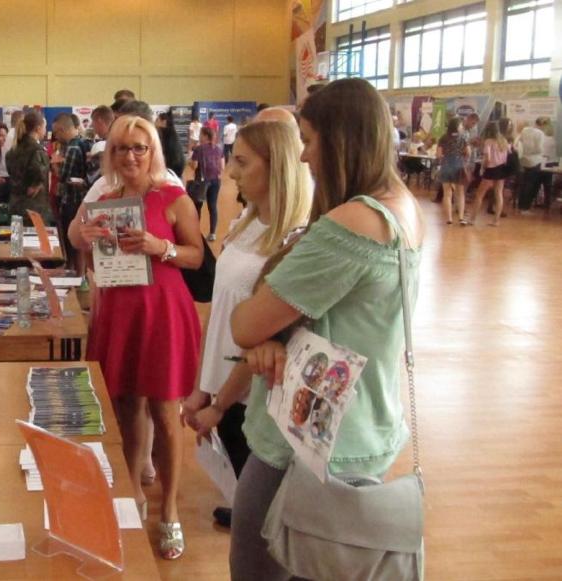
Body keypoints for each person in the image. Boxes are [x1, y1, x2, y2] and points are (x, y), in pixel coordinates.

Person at [228, 78, 424, 580]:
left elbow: (245, 324)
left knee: (257, 565)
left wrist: (263, 330)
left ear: (341, 141)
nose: (303, 156)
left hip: (308, 438)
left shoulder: (354, 222)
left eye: (310, 140)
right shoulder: (403, 207)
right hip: (366, 423)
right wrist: (274, 334)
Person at [68, 115, 203, 560]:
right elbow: (81, 244)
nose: (130, 156)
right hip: (120, 313)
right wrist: (85, 238)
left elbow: (196, 256)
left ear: (153, 152)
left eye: (139, 148)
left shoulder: (173, 198)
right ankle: (132, 495)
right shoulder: (104, 201)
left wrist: (159, 247)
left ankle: (169, 510)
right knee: (125, 407)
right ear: (110, 154)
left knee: (165, 413)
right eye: (122, 148)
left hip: (161, 312)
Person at [182, 119, 312, 529]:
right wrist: (202, 386)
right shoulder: (246, 223)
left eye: (242, 162)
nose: (230, 171)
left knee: (262, 512)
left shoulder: (294, 239)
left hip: (250, 395)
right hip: (224, 387)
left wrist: (220, 404)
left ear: (277, 167)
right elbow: (221, 309)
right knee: (244, 488)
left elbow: (263, 337)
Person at [50, 113, 89, 269]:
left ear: (62, 129)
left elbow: (64, 177)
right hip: (82, 200)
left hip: (72, 201)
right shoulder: (84, 143)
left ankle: (75, 273)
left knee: (72, 242)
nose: (56, 137)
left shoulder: (72, 148)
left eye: (56, 132)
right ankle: (81, 274)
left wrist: (54, 165)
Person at [5, 110, 51, 224]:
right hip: (35, 208)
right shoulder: (37, 151)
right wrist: (38, 183)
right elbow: (40, 174)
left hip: (15, 205)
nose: (45, 130)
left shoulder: (13, 150)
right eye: (45, 127)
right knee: (35, 235)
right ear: (38, 128)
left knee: (16, 234)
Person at [469, 121, 510, 227]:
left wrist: (483, 168)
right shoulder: (504, 141)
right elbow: (507, 156)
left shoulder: (488, 142)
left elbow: (488, 158)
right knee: (499, 193)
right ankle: (496, 220)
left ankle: (472, 219)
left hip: (491, 169)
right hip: (502, 169)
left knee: (479, 194)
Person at [189, 126, 224, 241]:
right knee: (212, 206)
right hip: (216, 180)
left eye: (201, 134)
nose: (199, 136)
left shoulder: (199, 149)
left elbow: (194, 166)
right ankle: (213, 233)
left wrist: (189, 162)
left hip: (202, 181)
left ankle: (195, 233)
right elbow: (222, 166)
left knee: (197, 207)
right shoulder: (218, 149)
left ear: (205, 136)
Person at [436, 117, 471, 225]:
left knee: (447, 194)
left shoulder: (443, 138)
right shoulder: (462, 138)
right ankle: (460, 217)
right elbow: (468, 152)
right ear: (457, 126)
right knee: (460, 193)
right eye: (461, 125)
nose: (462, 127)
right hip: (458, 165)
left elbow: (438, 154)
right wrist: (463, 158)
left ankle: (449, 219)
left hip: (446, 165)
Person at [516, 117, 553, 214]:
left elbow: (520, 143)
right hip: (535, 161)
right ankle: (525, 208)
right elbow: (539, 149)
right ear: (544, 125)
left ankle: (520, 206)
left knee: (524, 184)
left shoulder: (525, 130)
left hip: (524, 160)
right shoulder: (540, 134)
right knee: (532, 186)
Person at [158, 110, 186, 179]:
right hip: (176, 173)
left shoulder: (164, 136)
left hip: (169, 173)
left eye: (157, 120)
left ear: (164, 122)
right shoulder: (173, 135)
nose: (155, 123)